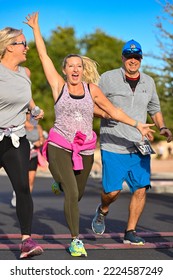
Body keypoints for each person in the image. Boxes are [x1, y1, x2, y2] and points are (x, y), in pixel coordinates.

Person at [25, 13, 154, 257]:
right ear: (64, 70)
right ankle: (75, 240)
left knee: (79, 193)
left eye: (79, 66)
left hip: (84, 149)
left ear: (83, 70)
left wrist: (138, 124)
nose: (75, 69)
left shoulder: (91, 89)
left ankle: (60, 182)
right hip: (60, 143)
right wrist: (36, 28)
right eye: (70, 66)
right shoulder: (58, 86)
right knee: (72, 193)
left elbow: (113, 110)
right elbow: (43, 56)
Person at [91, 39, 172, 244]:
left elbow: (154, 109)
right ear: (123, 57)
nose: (133, 60)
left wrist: (162, 127)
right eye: (129, 56)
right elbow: (91, 105)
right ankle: (103, 209)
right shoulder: (108, 79)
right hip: (113, 143)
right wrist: (108, 115)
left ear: (141, 59)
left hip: (139, 144)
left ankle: (130, 231)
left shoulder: (149, 82)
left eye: (136, 57)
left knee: (141, 188)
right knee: (112, 191)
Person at [0, 26, 44, 258]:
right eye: (23, 43)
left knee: (23, 188)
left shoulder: (25, 73)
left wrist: (34, 108)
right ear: (9, 46)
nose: (27, 48)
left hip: (16, 139)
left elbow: (25, 96)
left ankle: (26, 240)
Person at [11, 112, 46, 207]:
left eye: (30, 114)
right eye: (27, 113)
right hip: (21, 156)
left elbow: (42, 139)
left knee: (30, 180)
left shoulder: (37, 127)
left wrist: (40, 142)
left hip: (33, 155)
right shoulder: (20, 126)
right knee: (21, 178)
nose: (29, 115)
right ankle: (17, 193)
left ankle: (25, 200)